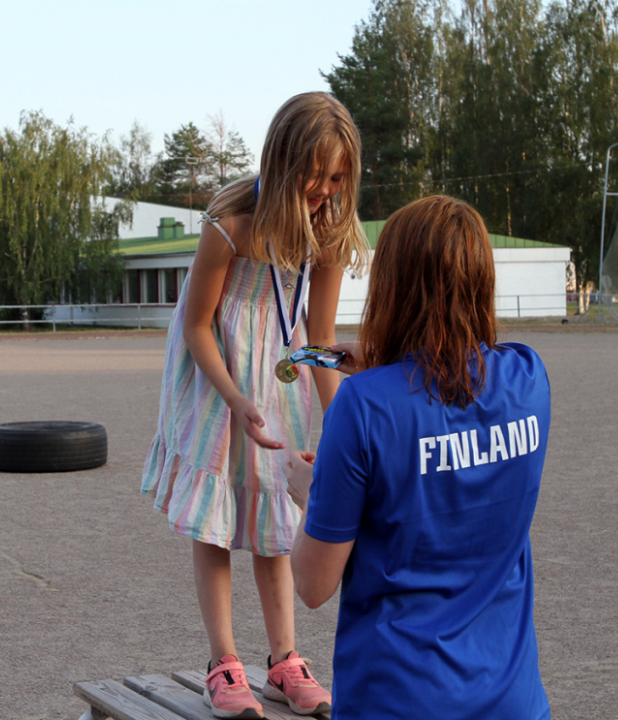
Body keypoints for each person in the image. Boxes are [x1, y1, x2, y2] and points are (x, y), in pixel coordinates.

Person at [140, 92, 368, 720]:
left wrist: (346, 422)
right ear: (283, 158)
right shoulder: (230, 225)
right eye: (313, 173)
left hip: (283, 372)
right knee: (216, 517)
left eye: (337, 176)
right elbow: (196, 326)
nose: (324, 188)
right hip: (218, 375)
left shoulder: (328, 234)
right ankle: (224, 663)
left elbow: (318, 341)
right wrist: (237, 398)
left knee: (276, 514)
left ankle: (284, 663)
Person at [285, 196, 552, 720]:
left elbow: (313, 586)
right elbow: (449, 400)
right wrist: (390, 360)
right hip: (512, 701)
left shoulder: (361, 407)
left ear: (393, 286)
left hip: (397, 699)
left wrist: (310, 493)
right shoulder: (529, 379)